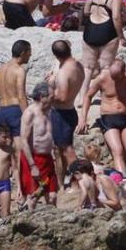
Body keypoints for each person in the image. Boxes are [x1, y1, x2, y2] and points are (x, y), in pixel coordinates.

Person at [79, 59, 126, 177]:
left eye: (117, 77)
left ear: (124, 72)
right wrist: (83, 119)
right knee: (118, 151)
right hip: (108, 118)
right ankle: (122, 180)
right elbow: (88, 96)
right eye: (112, 76)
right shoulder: (102, 78)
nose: (114, 80)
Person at [46, 39, 85, 180]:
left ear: (55, 55)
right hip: (70, 110)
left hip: (61, 114)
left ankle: (81, 180)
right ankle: (64, 182)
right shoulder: (78, 66)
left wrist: (47, 95)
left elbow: (62, 97)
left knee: (67, 151)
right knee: (60, 150)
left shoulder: (63, 72)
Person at [81, 0, 126, 78]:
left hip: (90, 31)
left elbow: (86, 11)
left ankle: (83, 94)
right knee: (106, 67)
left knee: (87, 68)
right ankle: (106, 94)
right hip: (107, 32)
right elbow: (116, 17)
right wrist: (121, 37)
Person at [19, 82, 59, 208]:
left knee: (52, 195)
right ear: (42, 97)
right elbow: (24, 140)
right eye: (51, 96)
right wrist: (32, 166)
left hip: (47, 158)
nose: (54, 98)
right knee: (33, 196)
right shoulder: (29, 113)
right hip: (33, 159)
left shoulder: (49, 111)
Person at [0, 39, 31, 154]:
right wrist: (27, 116)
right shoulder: (19, 70)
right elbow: (21, 96)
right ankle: (18, 172)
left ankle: (10, 171)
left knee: (6, 150)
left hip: (3, 111)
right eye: (29, 52)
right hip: (15, 111)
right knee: (19, 148)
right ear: (23, 53)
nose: (30, 55)